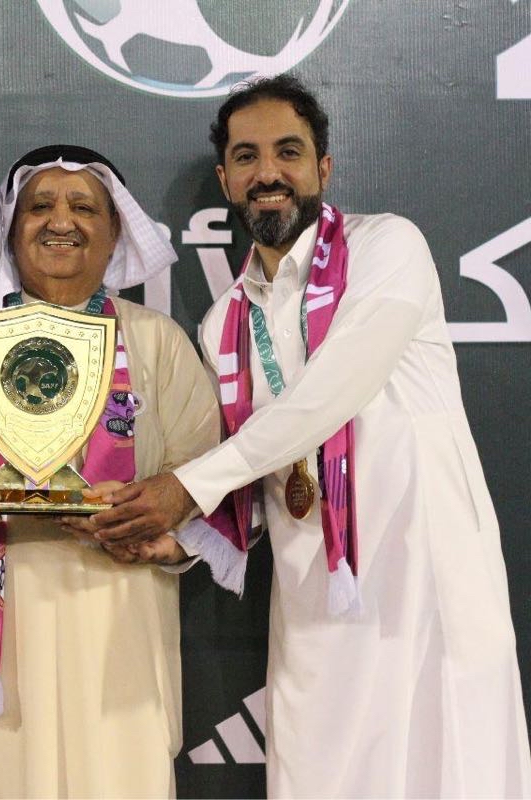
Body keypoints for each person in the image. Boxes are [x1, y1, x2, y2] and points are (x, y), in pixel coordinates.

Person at [97, 74, 531, 797]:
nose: (267, 172)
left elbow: (331, 394)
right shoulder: (224, 324)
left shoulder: (386, 246)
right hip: (315, 603)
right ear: (226, 180)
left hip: (424, 579)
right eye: (246, 157)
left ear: (322, 168)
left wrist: (188, 487)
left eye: (288, 152)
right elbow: (266, 473)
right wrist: (188, 539)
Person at [0, 144, 220, 798]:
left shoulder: (159, 343)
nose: (61, 221)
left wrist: (160, 527)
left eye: (83, 207)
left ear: (116, 232)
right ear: (11, 229)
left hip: (118, 641)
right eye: (40, 206)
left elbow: (211, 491)